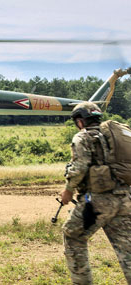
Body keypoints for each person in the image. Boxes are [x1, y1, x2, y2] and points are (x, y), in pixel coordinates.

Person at [61, 102, 131, 284]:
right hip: (124, 199)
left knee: (73, 235)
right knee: (127, 249)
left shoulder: (83, 137)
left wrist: (68, 190)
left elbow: (79, 167)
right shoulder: (113, 136)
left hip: (96, 201)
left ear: (81, 121)